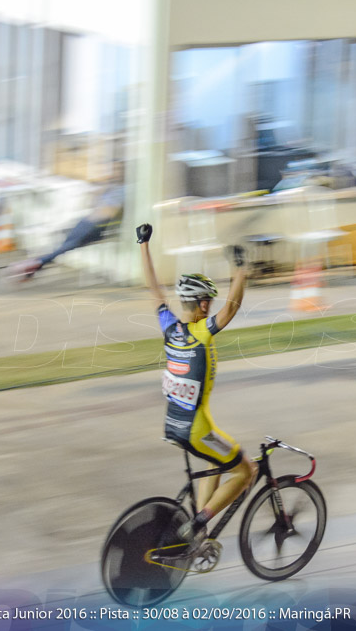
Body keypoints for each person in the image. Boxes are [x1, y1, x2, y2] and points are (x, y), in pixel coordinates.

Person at [136, 223, 256, 552]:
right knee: (246, 471)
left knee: (215, 460)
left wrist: (143, 245)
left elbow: (154, 290)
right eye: (209, 302)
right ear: (203, 305)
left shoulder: (169, 327)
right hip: (196, 428)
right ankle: (198, 522)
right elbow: (231, 307)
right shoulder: (203, 331)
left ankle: (199, 536)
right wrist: (241, 270)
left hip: (173, 423)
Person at [9, 164, 125, 281]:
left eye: (115, 170)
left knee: (67, 246)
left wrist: (100, 207)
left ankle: (35, 264)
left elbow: (109, 213)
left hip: (96, 226)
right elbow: (95, 204)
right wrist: (102, 190)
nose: (111, 174)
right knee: (62, 243)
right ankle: (35, 264)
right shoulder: (112, 188)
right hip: (88, 222)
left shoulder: (122, 191)